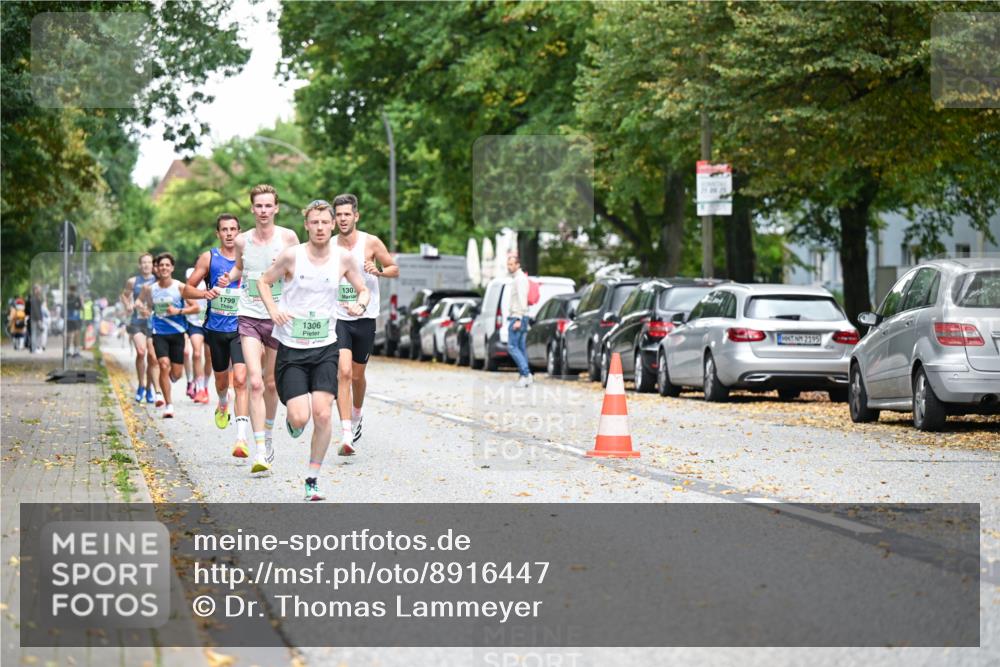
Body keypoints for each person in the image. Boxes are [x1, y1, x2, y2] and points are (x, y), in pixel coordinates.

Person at [257, 200, 369, 500]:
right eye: (314, 222)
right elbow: (263, 282)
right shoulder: (292, 257)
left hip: (325, 348)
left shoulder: (343, 259)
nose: (320, 228)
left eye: (324, 222)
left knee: (322, 414)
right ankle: (292, 422)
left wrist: (360, 304)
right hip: (292, 350)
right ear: (306, 225)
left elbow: (363, 288)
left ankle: (312, 478)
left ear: (332, 225)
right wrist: (273, 310)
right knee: (300, 417)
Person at [216, 184, 299, 475]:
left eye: (268, 206)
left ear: (276, 208)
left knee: (271, 383)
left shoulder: (288, 237)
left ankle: (268, 433)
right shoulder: (241, 240)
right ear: (252, 209)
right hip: (248, 315)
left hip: (277, 318)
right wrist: (229, 278)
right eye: (258, 206)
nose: (263, 211)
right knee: (253, 382)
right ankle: (260, 450)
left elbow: (297, 272)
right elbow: (240, 268)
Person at [332, 193, 398, 454]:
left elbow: (394, 268)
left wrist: (379, 271)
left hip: (366, 318)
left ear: (356, 216)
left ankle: (357, 414)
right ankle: (346, 433)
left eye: (347, 214)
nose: (343, 219)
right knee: (344, 373)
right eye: (339, 215)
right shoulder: (328, 245)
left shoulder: (370, 242)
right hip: (338, 317)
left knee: (357, 376)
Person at [184, 214, 250, 446]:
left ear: (239, 232)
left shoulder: (248, 257)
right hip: (216, 327)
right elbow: (186, 290)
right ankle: (223, 402)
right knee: (222, 381)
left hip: (242, 327)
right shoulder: (209, 258)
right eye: (224, 229)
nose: (229, 233)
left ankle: (241, 438)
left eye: (233, 229)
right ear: (218, 233)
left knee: (241, 380)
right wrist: (205, 294)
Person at [140, 253, 200, 418]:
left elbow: (195, 308)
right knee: (163, 365)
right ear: (157, 269)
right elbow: (146, 306)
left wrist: (178, 311)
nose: (164, 268)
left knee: (176, 373)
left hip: (178, 334)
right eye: (161, 265)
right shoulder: (150, 289)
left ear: (172, 268)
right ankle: (169, 405)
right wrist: (145, 310)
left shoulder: (179, 287)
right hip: (159, 333)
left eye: (167, 265)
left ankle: (170, 381)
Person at [121, 253, 160, 404]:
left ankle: (149, 388)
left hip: (152, 322)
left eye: (149, 262)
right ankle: (141, 386)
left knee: (152, 357)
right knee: (141, 352)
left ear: (152, 265)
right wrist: (128, 305)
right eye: (143, 263)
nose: (146, 265)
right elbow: (124, 295)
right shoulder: (133, 281)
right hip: (136, 322)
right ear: (139, 265)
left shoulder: (158, 280)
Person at [506, 253, 532, 387]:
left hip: (518, 315)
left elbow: (522, 299)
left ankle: (525, 374)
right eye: (508, 264)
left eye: (511, 264)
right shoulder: (518, 278)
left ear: (518, 265)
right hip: (520, 315)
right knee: (520, 348)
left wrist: (519, 318)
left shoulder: (520, 279)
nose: (509, 267)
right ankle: (526, 375)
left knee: (512, 347)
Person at [183, 267, 210, 404]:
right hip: (194, 324)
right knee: (197, 354)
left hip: (210, 324)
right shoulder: (189, 281)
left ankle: (205, 387)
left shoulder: (212, 280)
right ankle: (198, 388)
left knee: (210, 357)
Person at [66, 286, 83, 357]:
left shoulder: (67, 297)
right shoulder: (77, 297)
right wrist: (81, 301)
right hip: (75, 318)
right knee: (76, 335)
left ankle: (68, 351)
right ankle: (76, 352)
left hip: (69, 318)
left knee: (69, 335)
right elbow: (81, 307)